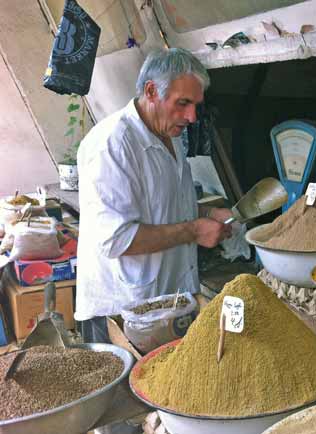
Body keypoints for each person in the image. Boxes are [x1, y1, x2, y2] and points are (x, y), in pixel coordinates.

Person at [75, 48, 232, 344]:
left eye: (196, 105)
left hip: (165, 303)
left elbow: (163, 204)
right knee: (131, 388)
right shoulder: (112, 146)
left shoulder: (170, 135)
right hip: (123, 315)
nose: (192, 116)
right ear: (151, 91)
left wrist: (207, 215)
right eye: (183, 103)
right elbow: (117, 239)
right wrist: (195, 230)